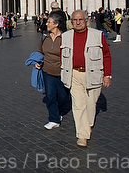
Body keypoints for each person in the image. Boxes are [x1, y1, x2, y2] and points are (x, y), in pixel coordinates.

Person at [60, 10, 112, 147]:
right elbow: (62, 56)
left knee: (90, 104)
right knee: (78, 105)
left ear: (86, 20)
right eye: (75, 20)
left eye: (80, 20)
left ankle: (88, 124)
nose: (77, 23)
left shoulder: (97, 35)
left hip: (93, 74)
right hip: (74, 74)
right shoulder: (65, 36)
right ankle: (82, 135)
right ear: (71, 22)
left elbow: (106, 55)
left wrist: (107, 75)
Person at [35, 12, 71, 129]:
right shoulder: (45, 36)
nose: (46, 24)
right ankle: (54, 119)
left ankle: (59, 111)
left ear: (56, 24)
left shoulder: (66, 38)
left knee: (63, 96)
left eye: (49, 22)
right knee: (50, 96)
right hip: (47, 70)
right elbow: (40, 51)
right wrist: (37, 61)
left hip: (62, 71)